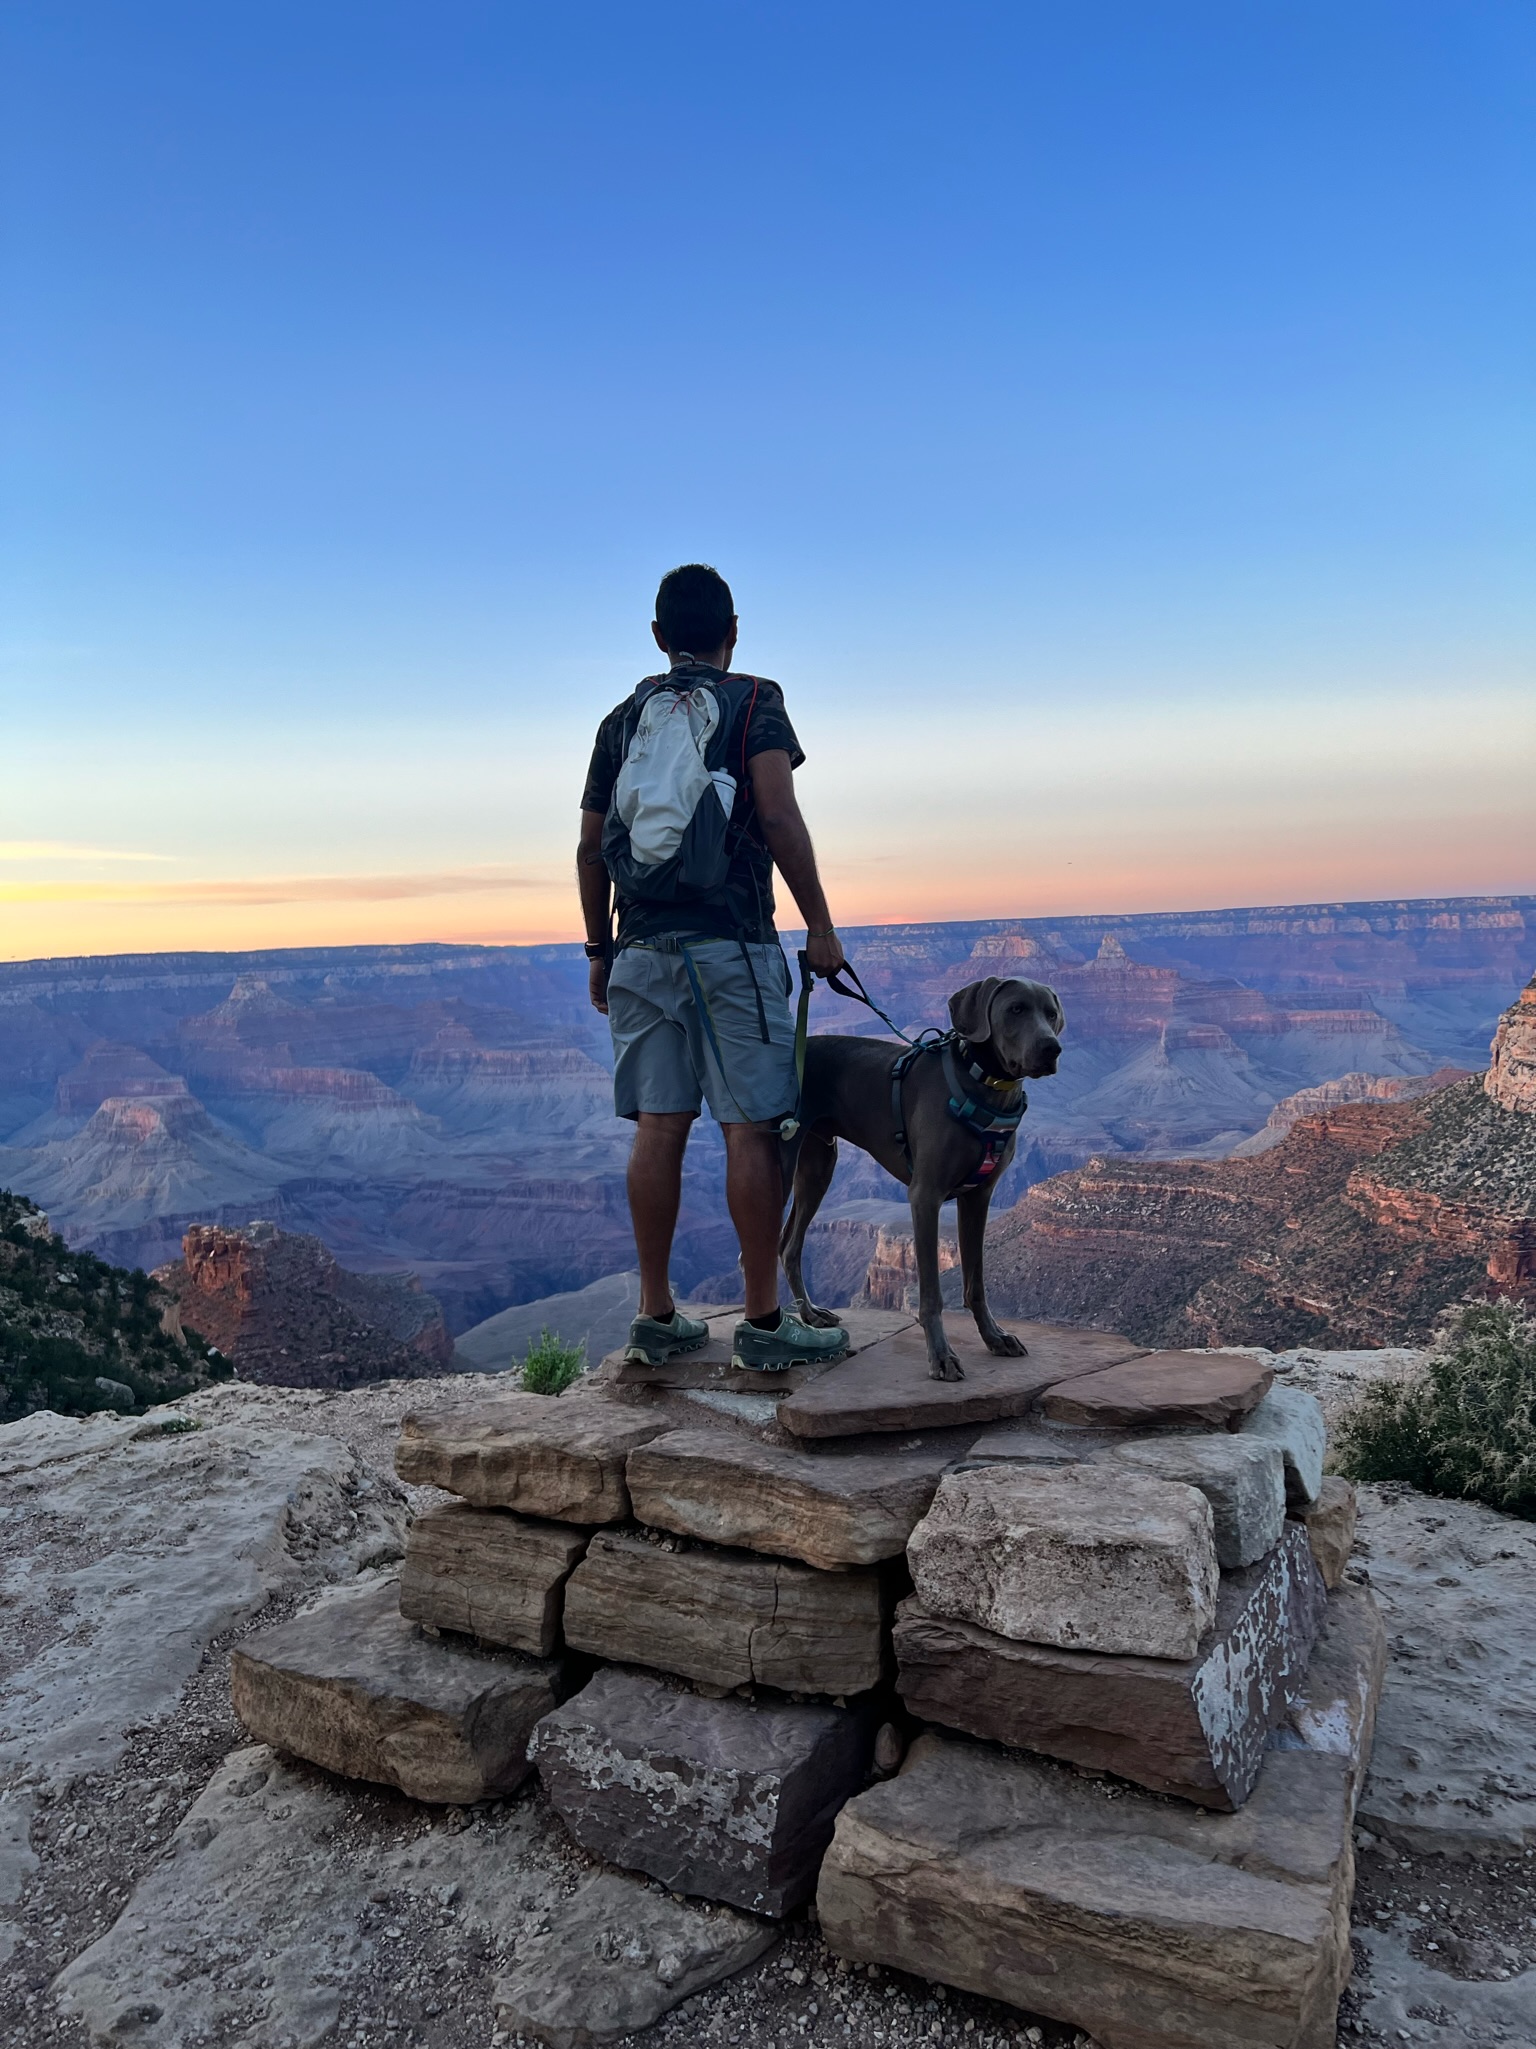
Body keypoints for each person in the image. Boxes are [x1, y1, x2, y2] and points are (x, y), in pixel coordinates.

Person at [578, 563, 852, 1372]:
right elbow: (775, 811)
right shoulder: (754, 700)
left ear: (659, 638)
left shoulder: (620, 721)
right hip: (730, 946)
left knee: (659, 1128)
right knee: (750, 1127)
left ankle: (655, 1314)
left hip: (641, 951)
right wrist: (822, 926)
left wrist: (601, 950)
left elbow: (592, 847)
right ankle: (765, 1326)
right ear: (734, 630)